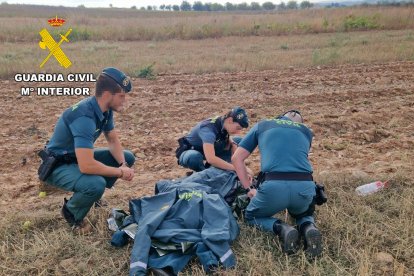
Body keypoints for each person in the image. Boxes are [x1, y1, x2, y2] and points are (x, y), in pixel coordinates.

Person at [38, 67, 136, 232]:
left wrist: (123, 164)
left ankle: (92, 198)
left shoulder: (104, 110)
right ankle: (72, 213)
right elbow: (86, 166)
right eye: (121, 96)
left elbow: (112, 139)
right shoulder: (84, 117)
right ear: (107, 95)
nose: (124, 100)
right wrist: (120, 172)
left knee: (127, 156)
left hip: (75, 158)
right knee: (95, 184)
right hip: (58, 166)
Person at [231, 110, 323, 258]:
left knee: (251, 216)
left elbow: (236, 159)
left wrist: (249, 188)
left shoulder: (263, 125)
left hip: (274, 187)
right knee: (304, 213)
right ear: (299, 123)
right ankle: (308, 226)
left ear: (279, 117)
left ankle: (283, 229)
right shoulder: (306, 131)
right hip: (304, 186)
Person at [175, 107, 249, 172]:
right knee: (194, 157)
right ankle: (202, 173)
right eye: (238, 128)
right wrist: (236, 168)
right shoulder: (208, 129)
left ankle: (215, 167)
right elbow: (211, 159)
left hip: (209, 149)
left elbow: (224, 135)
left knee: (239, 141)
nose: (238, 132)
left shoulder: (223, 121)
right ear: (230, 120)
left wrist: (233, 144)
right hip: (190, 151)